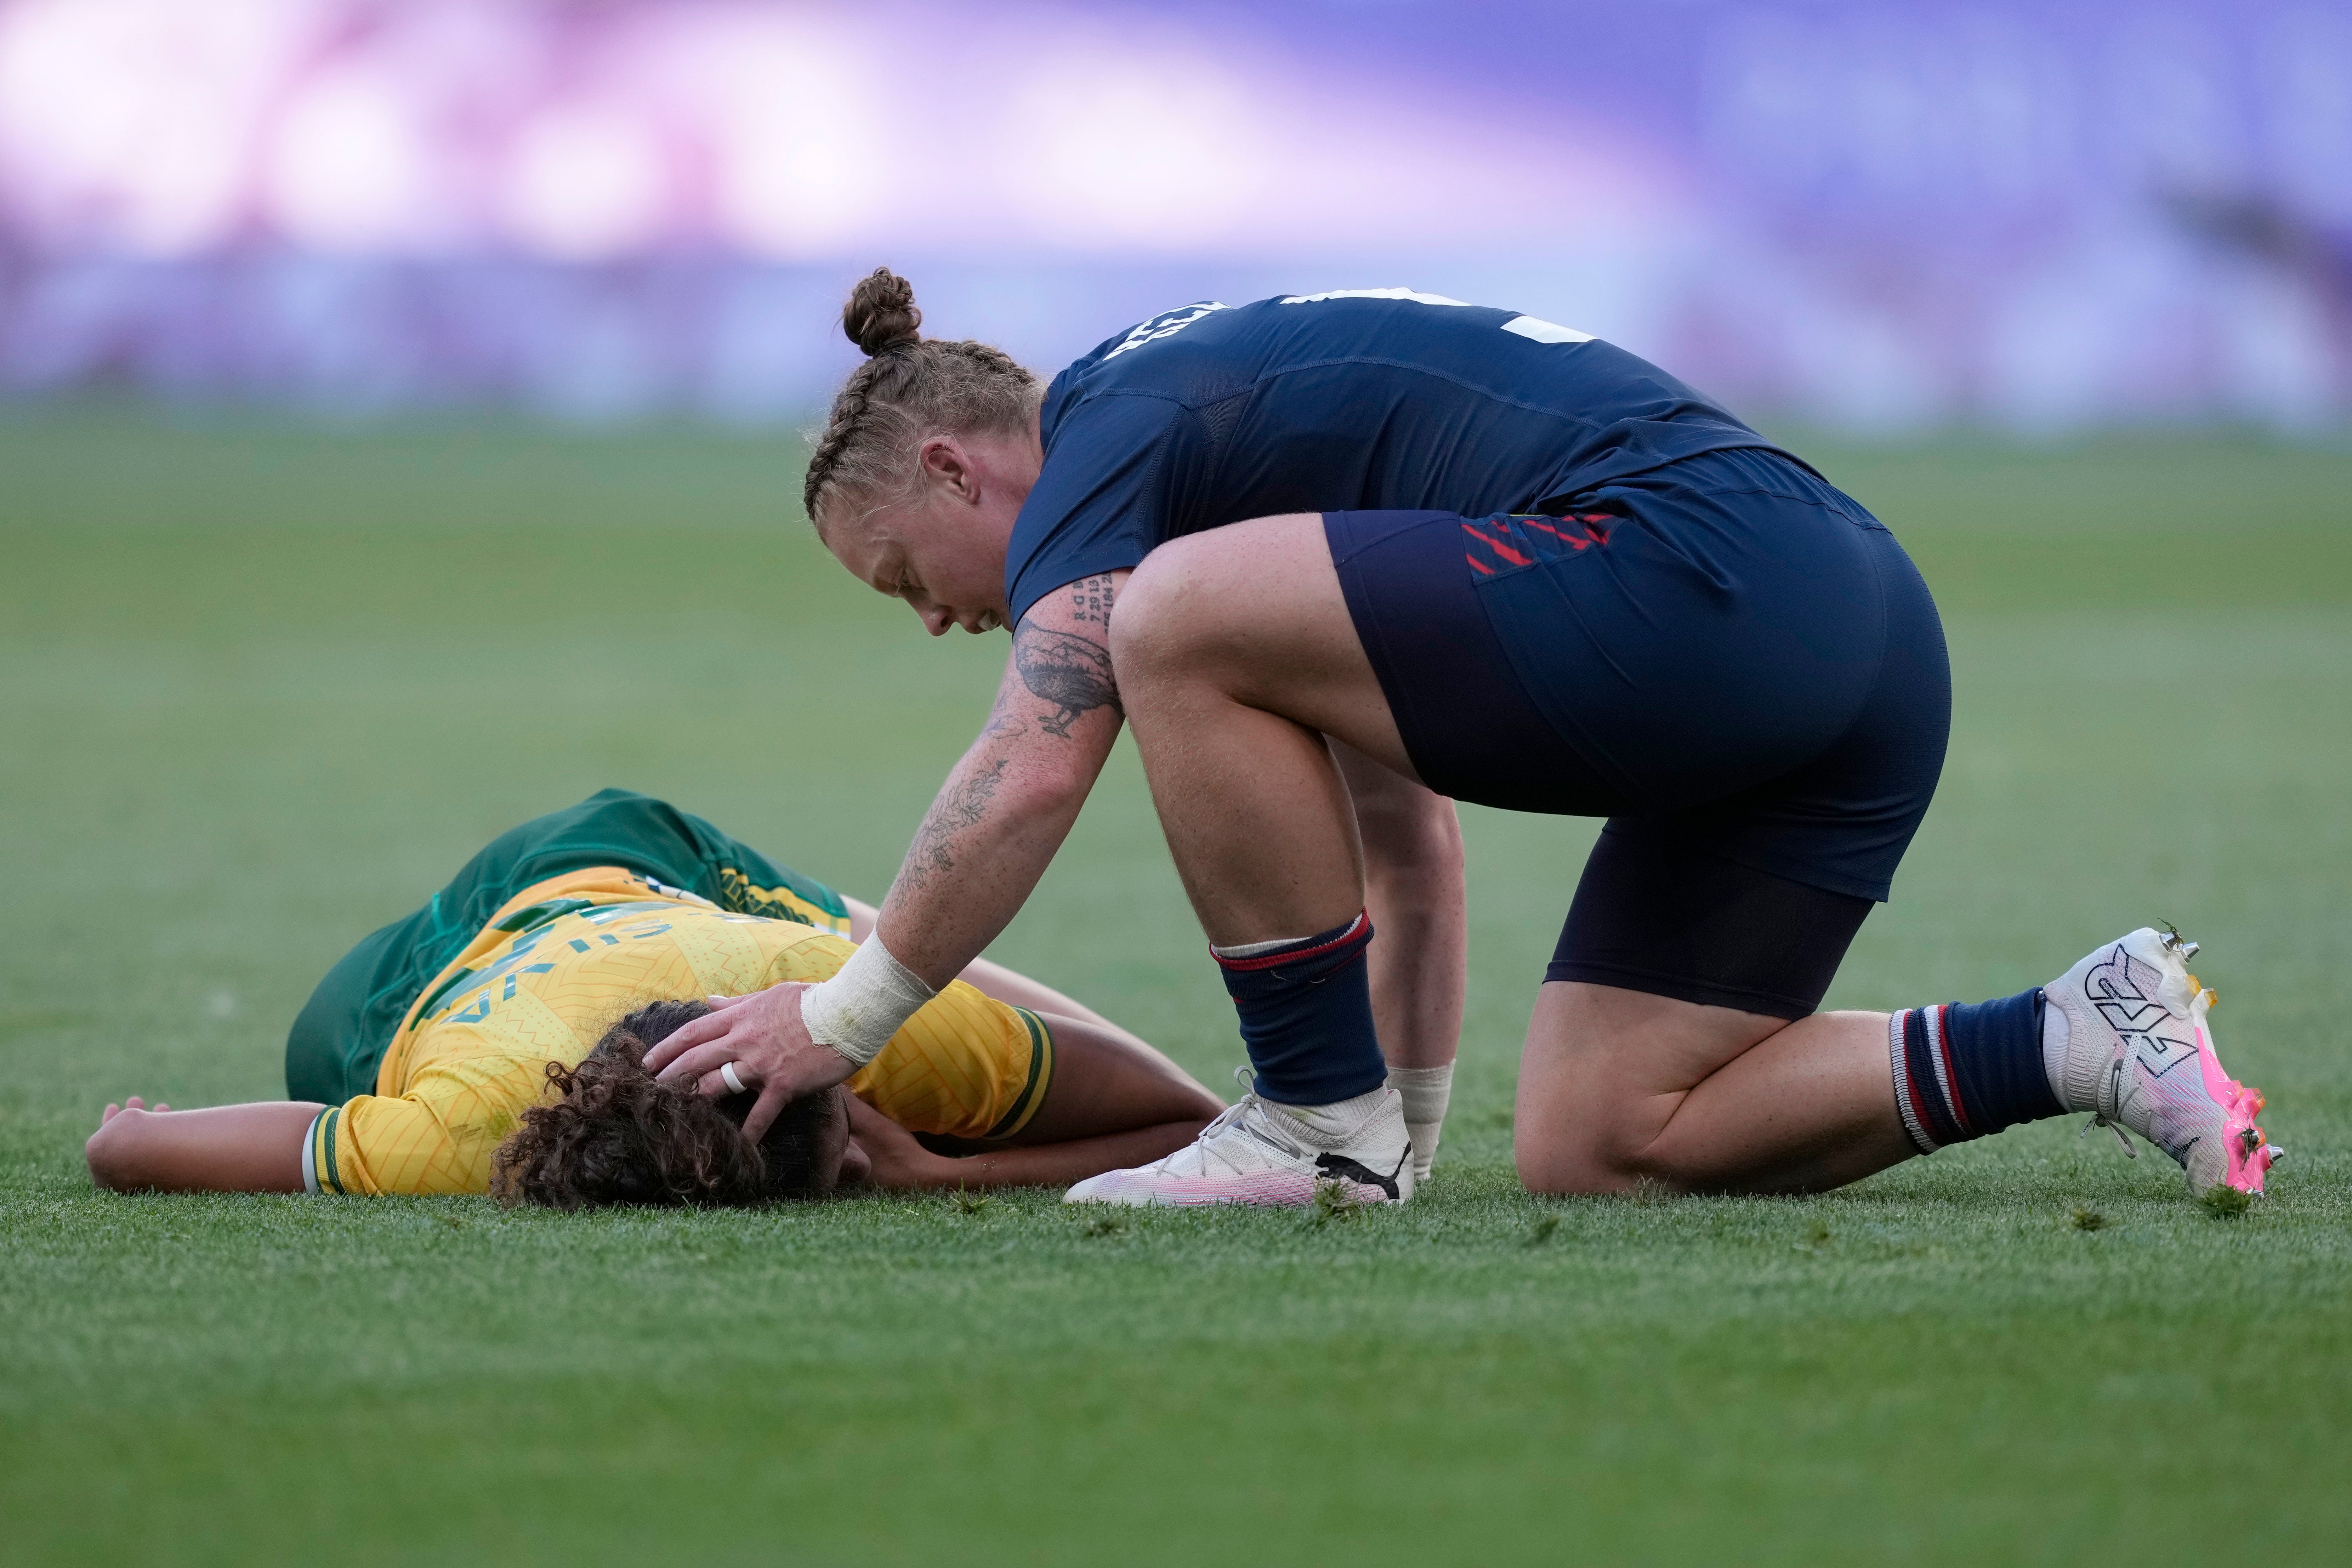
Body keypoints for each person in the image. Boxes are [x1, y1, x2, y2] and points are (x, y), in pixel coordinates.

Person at [645, 273, 2278, 1207]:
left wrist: (846, 1015)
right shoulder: (1234, 490)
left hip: (1709, 574)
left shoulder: (1104, 442)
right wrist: (1404, 1131)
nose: (934, 619)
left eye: (902, 584)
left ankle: (1301, 1127)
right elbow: (1403, 839)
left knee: (1154, 628)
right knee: (1606, 1141)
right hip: (1848, 633)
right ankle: (2075, 1033)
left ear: (950, 471)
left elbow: (1042, 752)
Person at [85, 790, 1221, 1203]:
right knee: (317, 1066)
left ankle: (852, 920)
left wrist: (130, 1144)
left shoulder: (836, 1007)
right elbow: (1185, 1121)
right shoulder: (471, 1126)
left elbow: (1202, 1127)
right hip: (448, 962)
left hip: (563, 884)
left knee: (887, 947)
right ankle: (849, 921)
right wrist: (944, 1169)